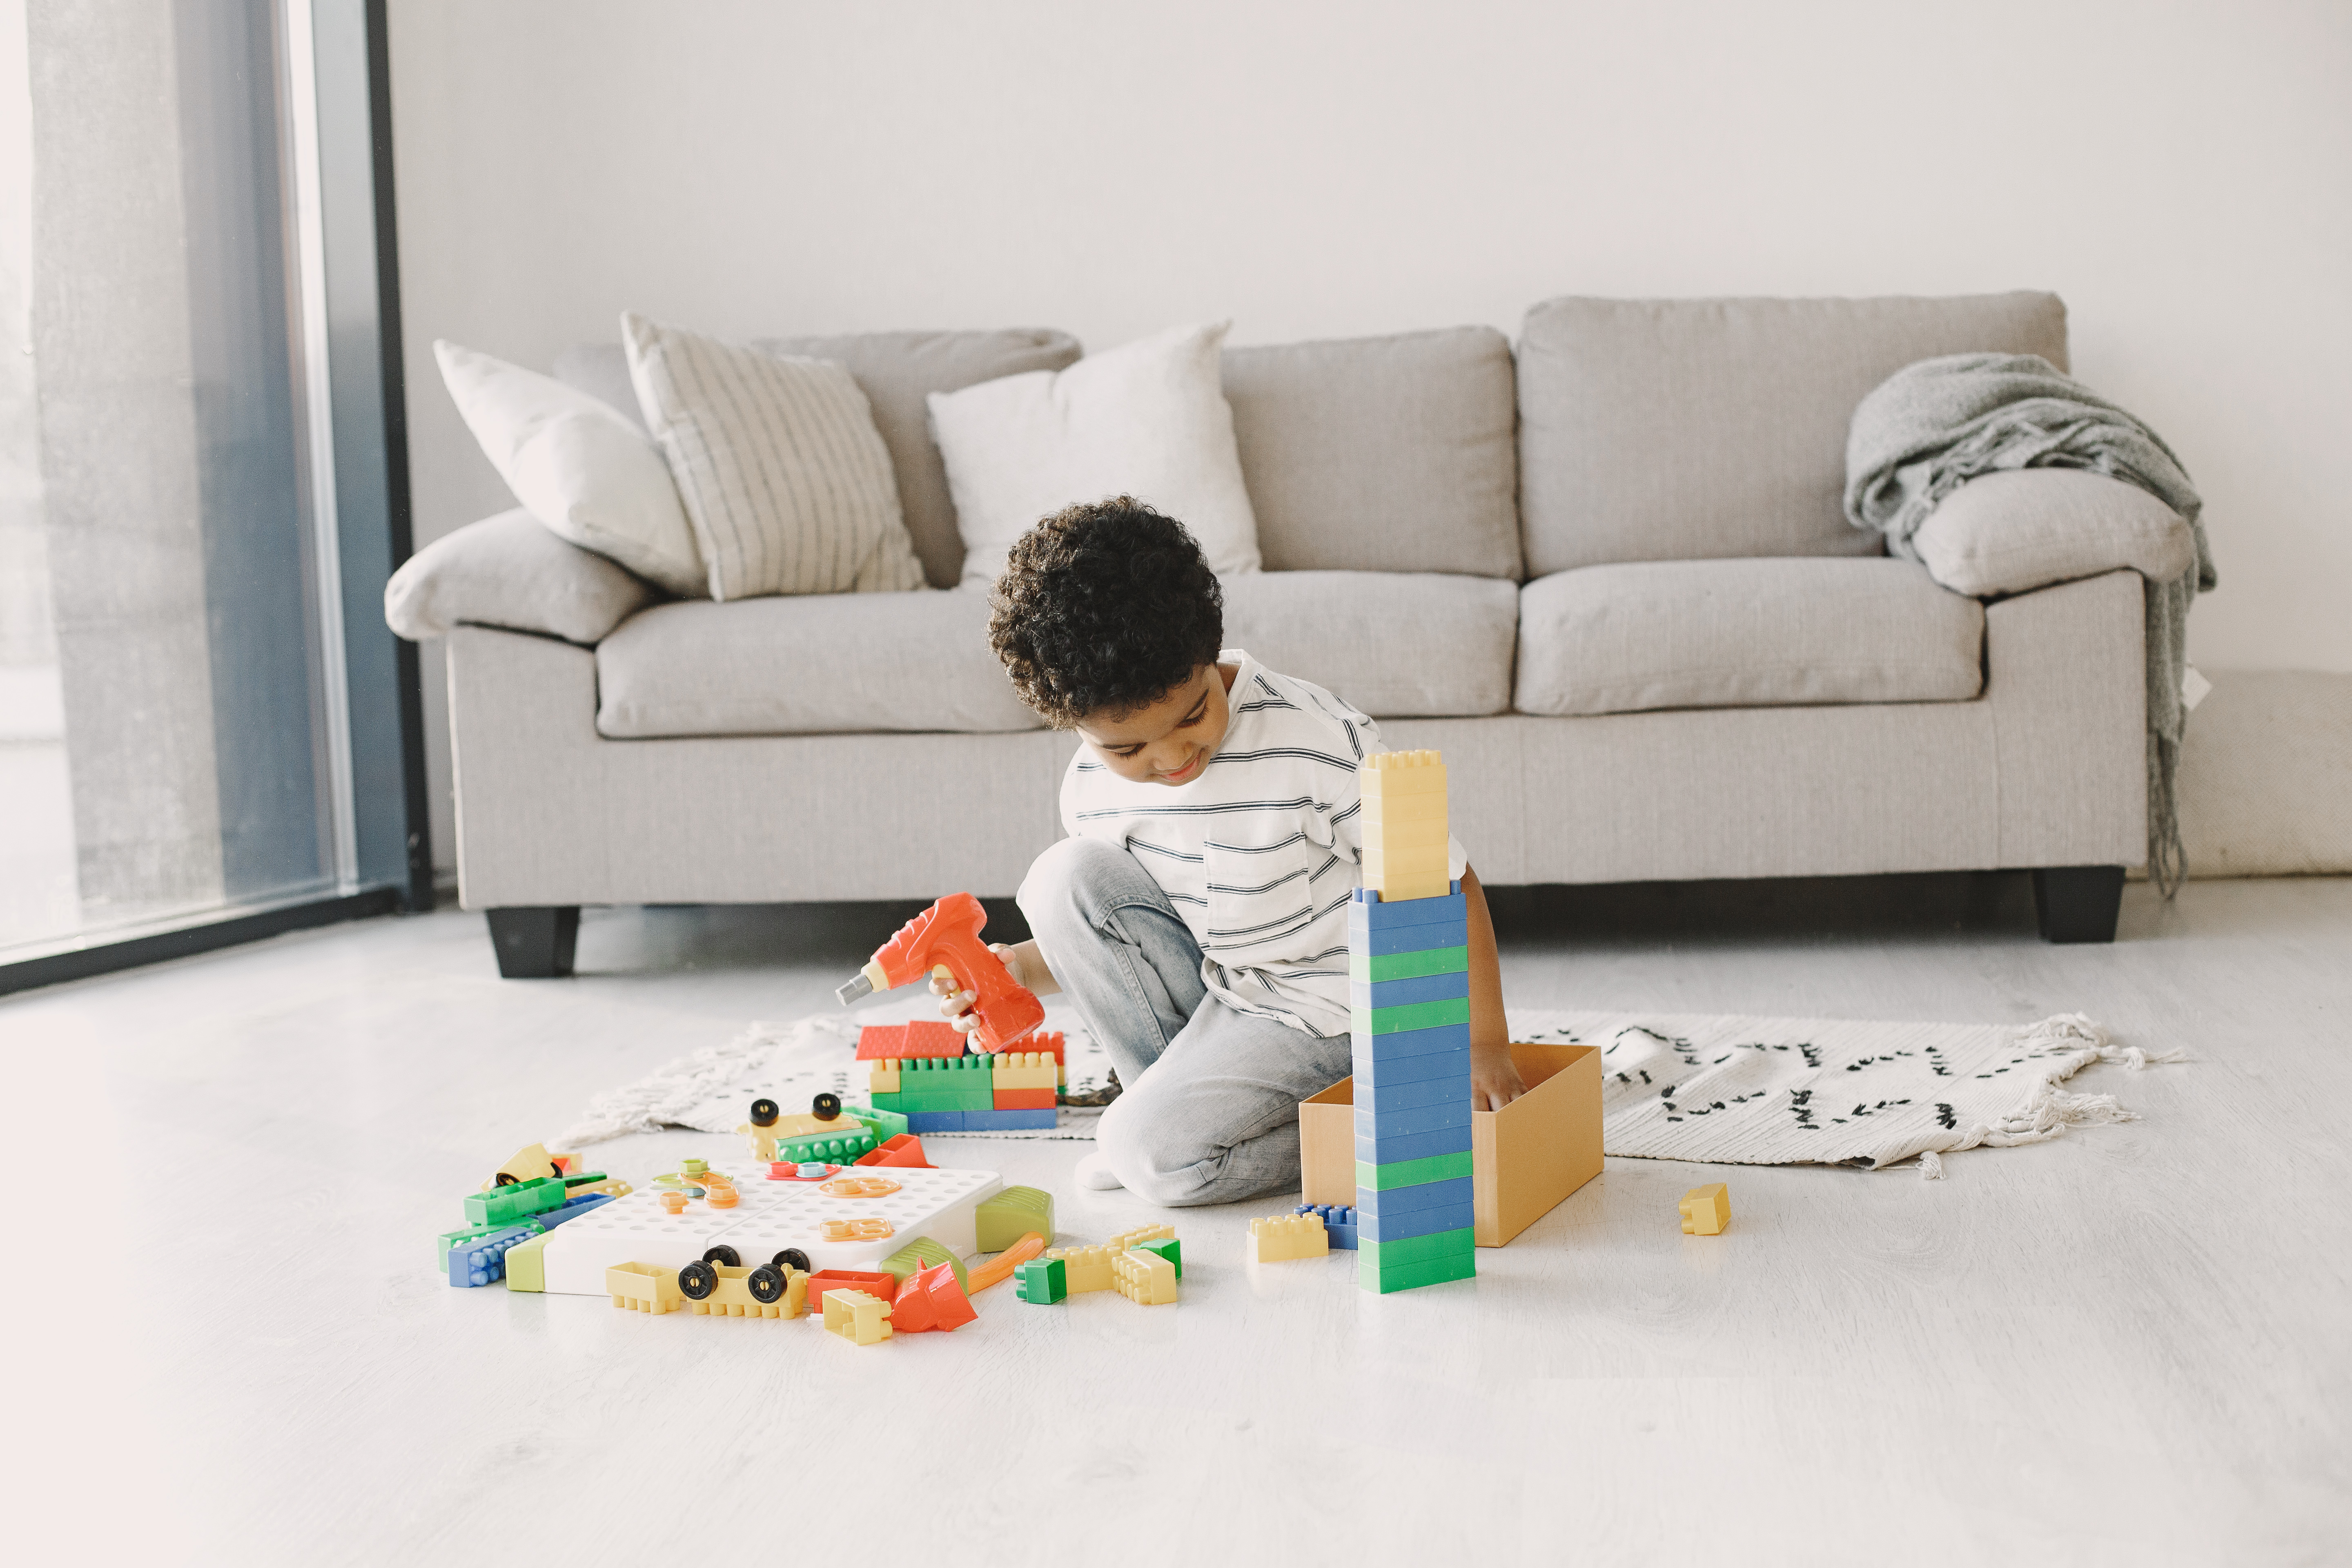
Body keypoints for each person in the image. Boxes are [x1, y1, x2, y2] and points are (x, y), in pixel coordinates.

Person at [934, 496, 1523, 1206]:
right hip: (1231, 995)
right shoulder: (1092, 786)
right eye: (1128, 748)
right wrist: (1020, 968)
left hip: (1338, 1013)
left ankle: (1327, 1120)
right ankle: (1166, 1119)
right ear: (1072, 726)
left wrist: (1483, 1043)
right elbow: (1138, 933)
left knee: (1156, 1160)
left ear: (1208, 654)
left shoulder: (1314, 739)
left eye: (1192, 714)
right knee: (1061, 877)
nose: (1173, 756)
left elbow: (1446, 882)